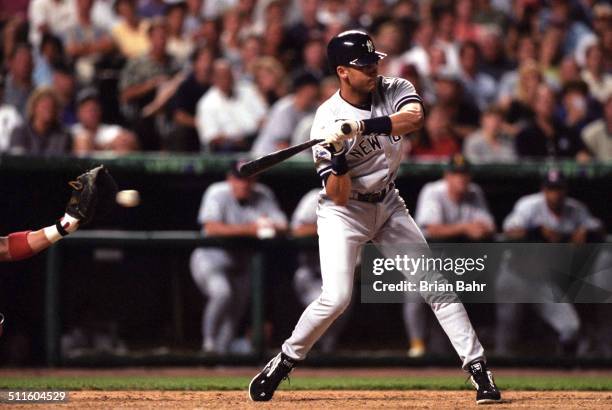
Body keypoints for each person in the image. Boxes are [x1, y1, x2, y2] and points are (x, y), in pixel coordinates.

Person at [248, 30, 501, 405]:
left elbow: (414, 118)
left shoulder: (393, 86)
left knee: (437, 287)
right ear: (342, 72)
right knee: (336, 298)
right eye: (363, 66)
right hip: (344, 212)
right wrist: (337, 158)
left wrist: (363, 128)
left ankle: (479, 370)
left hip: (389, 203)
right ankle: (285, 361)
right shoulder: (325, 120)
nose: (373, 69)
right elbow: (338, 193)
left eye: (374, 62)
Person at [498, 169, 604, 355]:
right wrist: (537, 231)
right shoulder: (529, 205)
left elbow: (597, 227)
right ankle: (491, 380)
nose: (555, 193)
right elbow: (509, 231)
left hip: (543, 283)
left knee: (570, 328)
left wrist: (586, 232)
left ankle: (564, 374)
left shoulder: (575, 210)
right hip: (515, 276)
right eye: (551, 188)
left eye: (559, 188)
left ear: (565, 190)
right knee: (507, 334)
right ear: (543, 189)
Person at [190, 161, 287, 354]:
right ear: (230, 179)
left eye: (249, 178)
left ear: (255, 179)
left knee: (234, 315)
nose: (244, 183)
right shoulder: (217, 192)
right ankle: (208, 347)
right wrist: (252, 229)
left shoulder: (263, 194)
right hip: (211, 259)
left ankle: (221, 357)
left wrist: (268, 226)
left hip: (241, 264)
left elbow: (284, 225)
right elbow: (211, 227)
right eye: (239, 178)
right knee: (221, 293)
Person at [291, 188, 350, 353]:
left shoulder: (363, 202)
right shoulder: (315, 198)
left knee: (330, 337)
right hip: (312, 274)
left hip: (342, 276)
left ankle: (322, 360)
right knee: (323, 311)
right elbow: (298, 230)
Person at [195, 59, 267, 152]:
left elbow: (263, 117)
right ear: (213, 79)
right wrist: (235, 139)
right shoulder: (206, 103)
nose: (227, 80)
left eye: (229, 75)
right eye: (222, 76)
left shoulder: (248, 90)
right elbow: (212, 138)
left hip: (256, 139)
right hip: (229, 149)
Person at [251, 72, 320, 156]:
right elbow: (281, 145)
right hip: (264, 157)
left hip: (287, 158)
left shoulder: (314, 108)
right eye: (310, 88)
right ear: (300, 89)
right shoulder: (284, 109)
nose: (314, 91)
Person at [71, 88, 138, 154]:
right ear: (78, 112)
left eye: (94, 109)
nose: (91, 113)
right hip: (81, 164)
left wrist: (99, 147)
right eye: (87, 109)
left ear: (100, 110)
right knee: (83, 141)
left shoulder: (111, 131)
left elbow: (131, 139)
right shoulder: (71, 132)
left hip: (108, 164)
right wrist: (105, 147)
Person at [8, 87, 72, 155]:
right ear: (34, 108)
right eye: (44, 106)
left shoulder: (63, 135)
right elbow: (17, 160)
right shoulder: (20, 132)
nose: (48, 110)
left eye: (52, 106)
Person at [581, 93, 612, 161]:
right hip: (599, 170)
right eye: (610, 107)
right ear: (605, 109)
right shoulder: (592, 132)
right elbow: (582, 155)